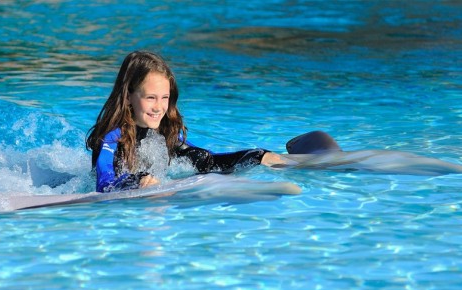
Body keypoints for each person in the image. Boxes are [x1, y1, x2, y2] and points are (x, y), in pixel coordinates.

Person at [85, 51, 341, 192]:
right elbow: (104, 182)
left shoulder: (165, 136)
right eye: (150, 97)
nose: (159, 107)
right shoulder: (111, 138)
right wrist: (135, 181)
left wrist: (256, 155)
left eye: (164, 97)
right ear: (129, 96)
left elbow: (207, 161)